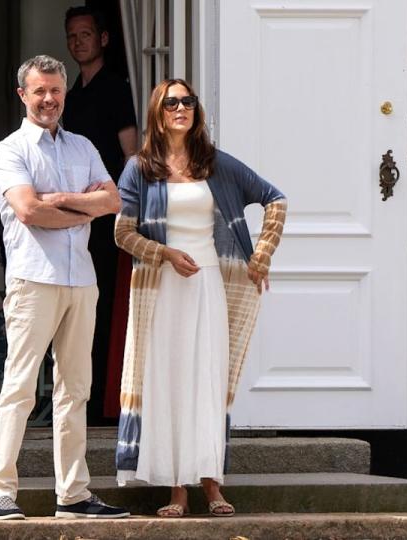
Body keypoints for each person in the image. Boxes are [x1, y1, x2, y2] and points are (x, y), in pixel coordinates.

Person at [113, 79, 288, 518]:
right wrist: (165, 254)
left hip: (209, 283)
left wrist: (261, 255)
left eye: (187, 101)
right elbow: (122, 232)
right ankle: (177, 490)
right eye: (171, 102)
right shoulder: (140, 168)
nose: (180, 108)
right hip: (162, 288)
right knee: (169, 382)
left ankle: (212, 483)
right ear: (157, 112)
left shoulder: (215, 163)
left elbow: (275, 199)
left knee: (206, 381)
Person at [0, 54, 129, 521]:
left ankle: (73, 494)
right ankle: (0, 493)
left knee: (75, 390)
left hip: (81, 280)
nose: (49, 99)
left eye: (56, 91)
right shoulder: (11, 150)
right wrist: (82, 207)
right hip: (33, 279)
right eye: (40, 91)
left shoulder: (83, 146)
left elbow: (113, 200)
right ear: (22, 95)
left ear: (64, 95)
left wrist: (64, 200)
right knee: (20, 388)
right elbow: (28, 211)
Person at [62, 5, 139, 423]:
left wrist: (122, 203)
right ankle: (78, 399)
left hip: (109, 215)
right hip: (73, 217)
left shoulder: (116, 89)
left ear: (104, 39)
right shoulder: (69, 97)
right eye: (72, 36)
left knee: (105, 299)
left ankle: (104, 403)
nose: (78, 42)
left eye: (86, 34)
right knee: (76, 303)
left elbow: (131, 153)